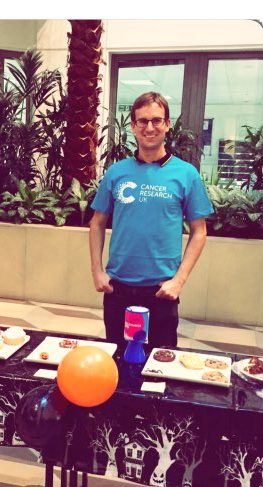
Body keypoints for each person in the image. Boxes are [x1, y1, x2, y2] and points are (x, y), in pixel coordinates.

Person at [88, 92, 214, 348]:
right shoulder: (116, 172)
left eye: (156, 120)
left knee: (160, 363)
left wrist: (179, 280)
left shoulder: (186, 174)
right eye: (142, 121)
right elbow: (97, 223)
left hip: (161, 292)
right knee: (116, 360)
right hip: (117, 290)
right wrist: (97, 271)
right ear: (133, 126)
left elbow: (199, 231)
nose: (149, 127)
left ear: (167, 124)